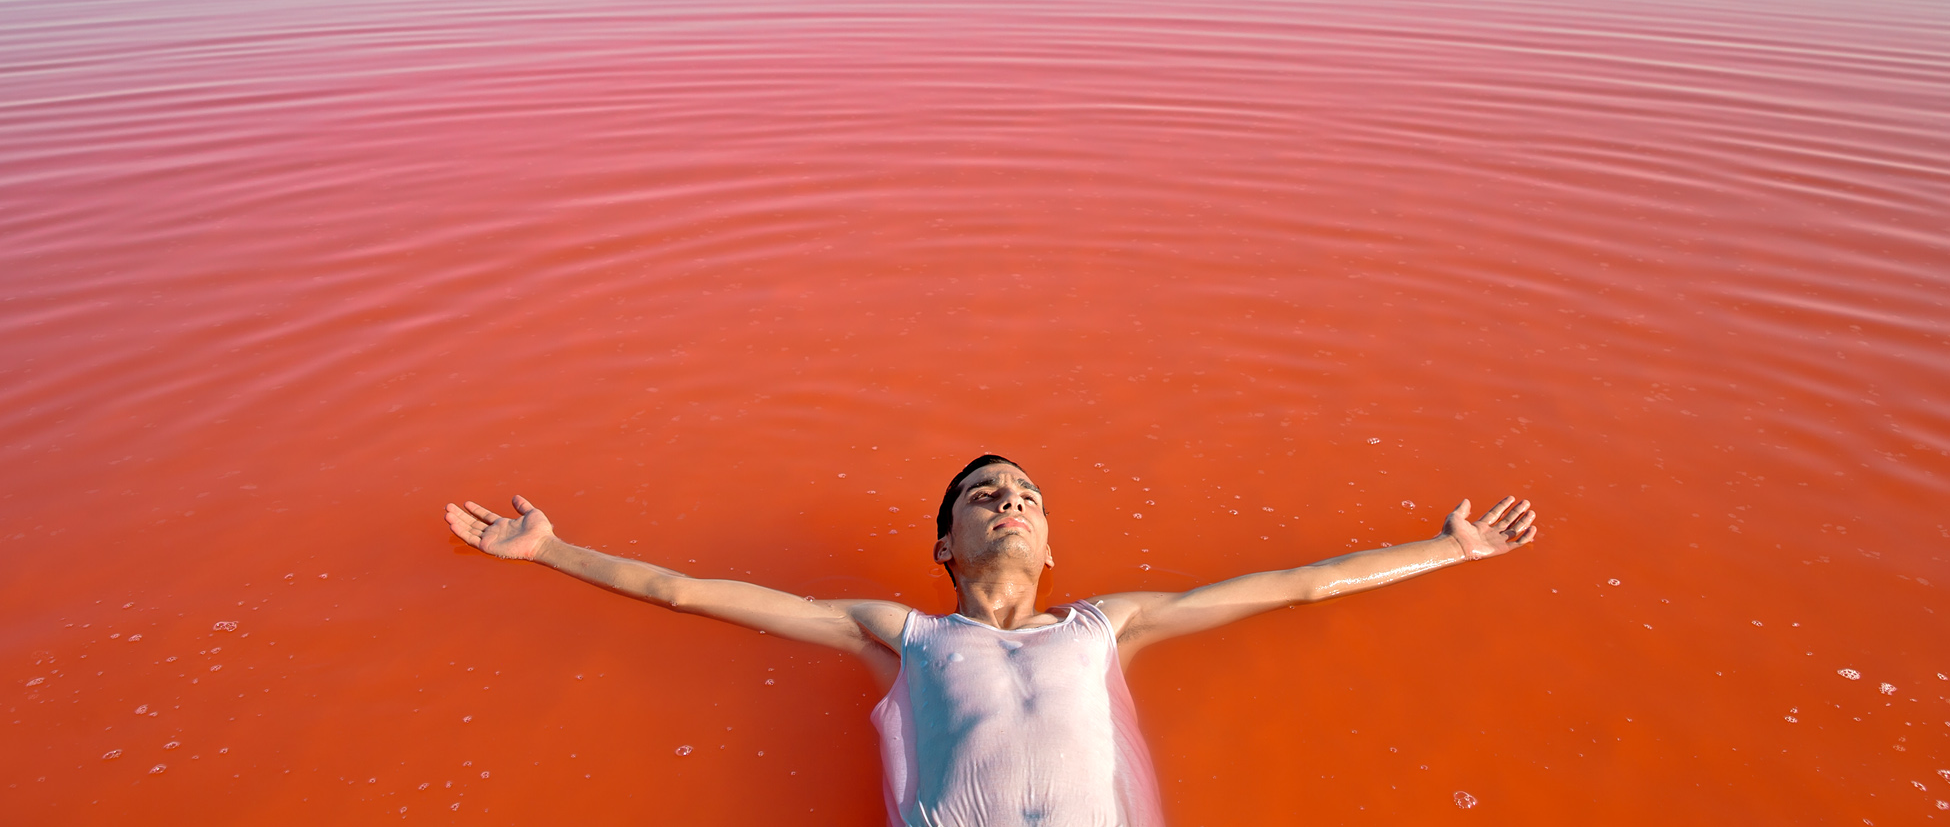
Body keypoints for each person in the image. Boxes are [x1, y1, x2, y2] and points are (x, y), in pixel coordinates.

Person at [444, 454, 1538, 827]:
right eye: (983, 495)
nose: (1007, 502)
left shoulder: (1111, 623)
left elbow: (1300, 588)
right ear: (944, 539)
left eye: (1024, 495)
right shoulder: (897, 633)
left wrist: (1453, 552)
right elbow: (688, 594)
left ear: (1051, 543)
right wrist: (550, 552)